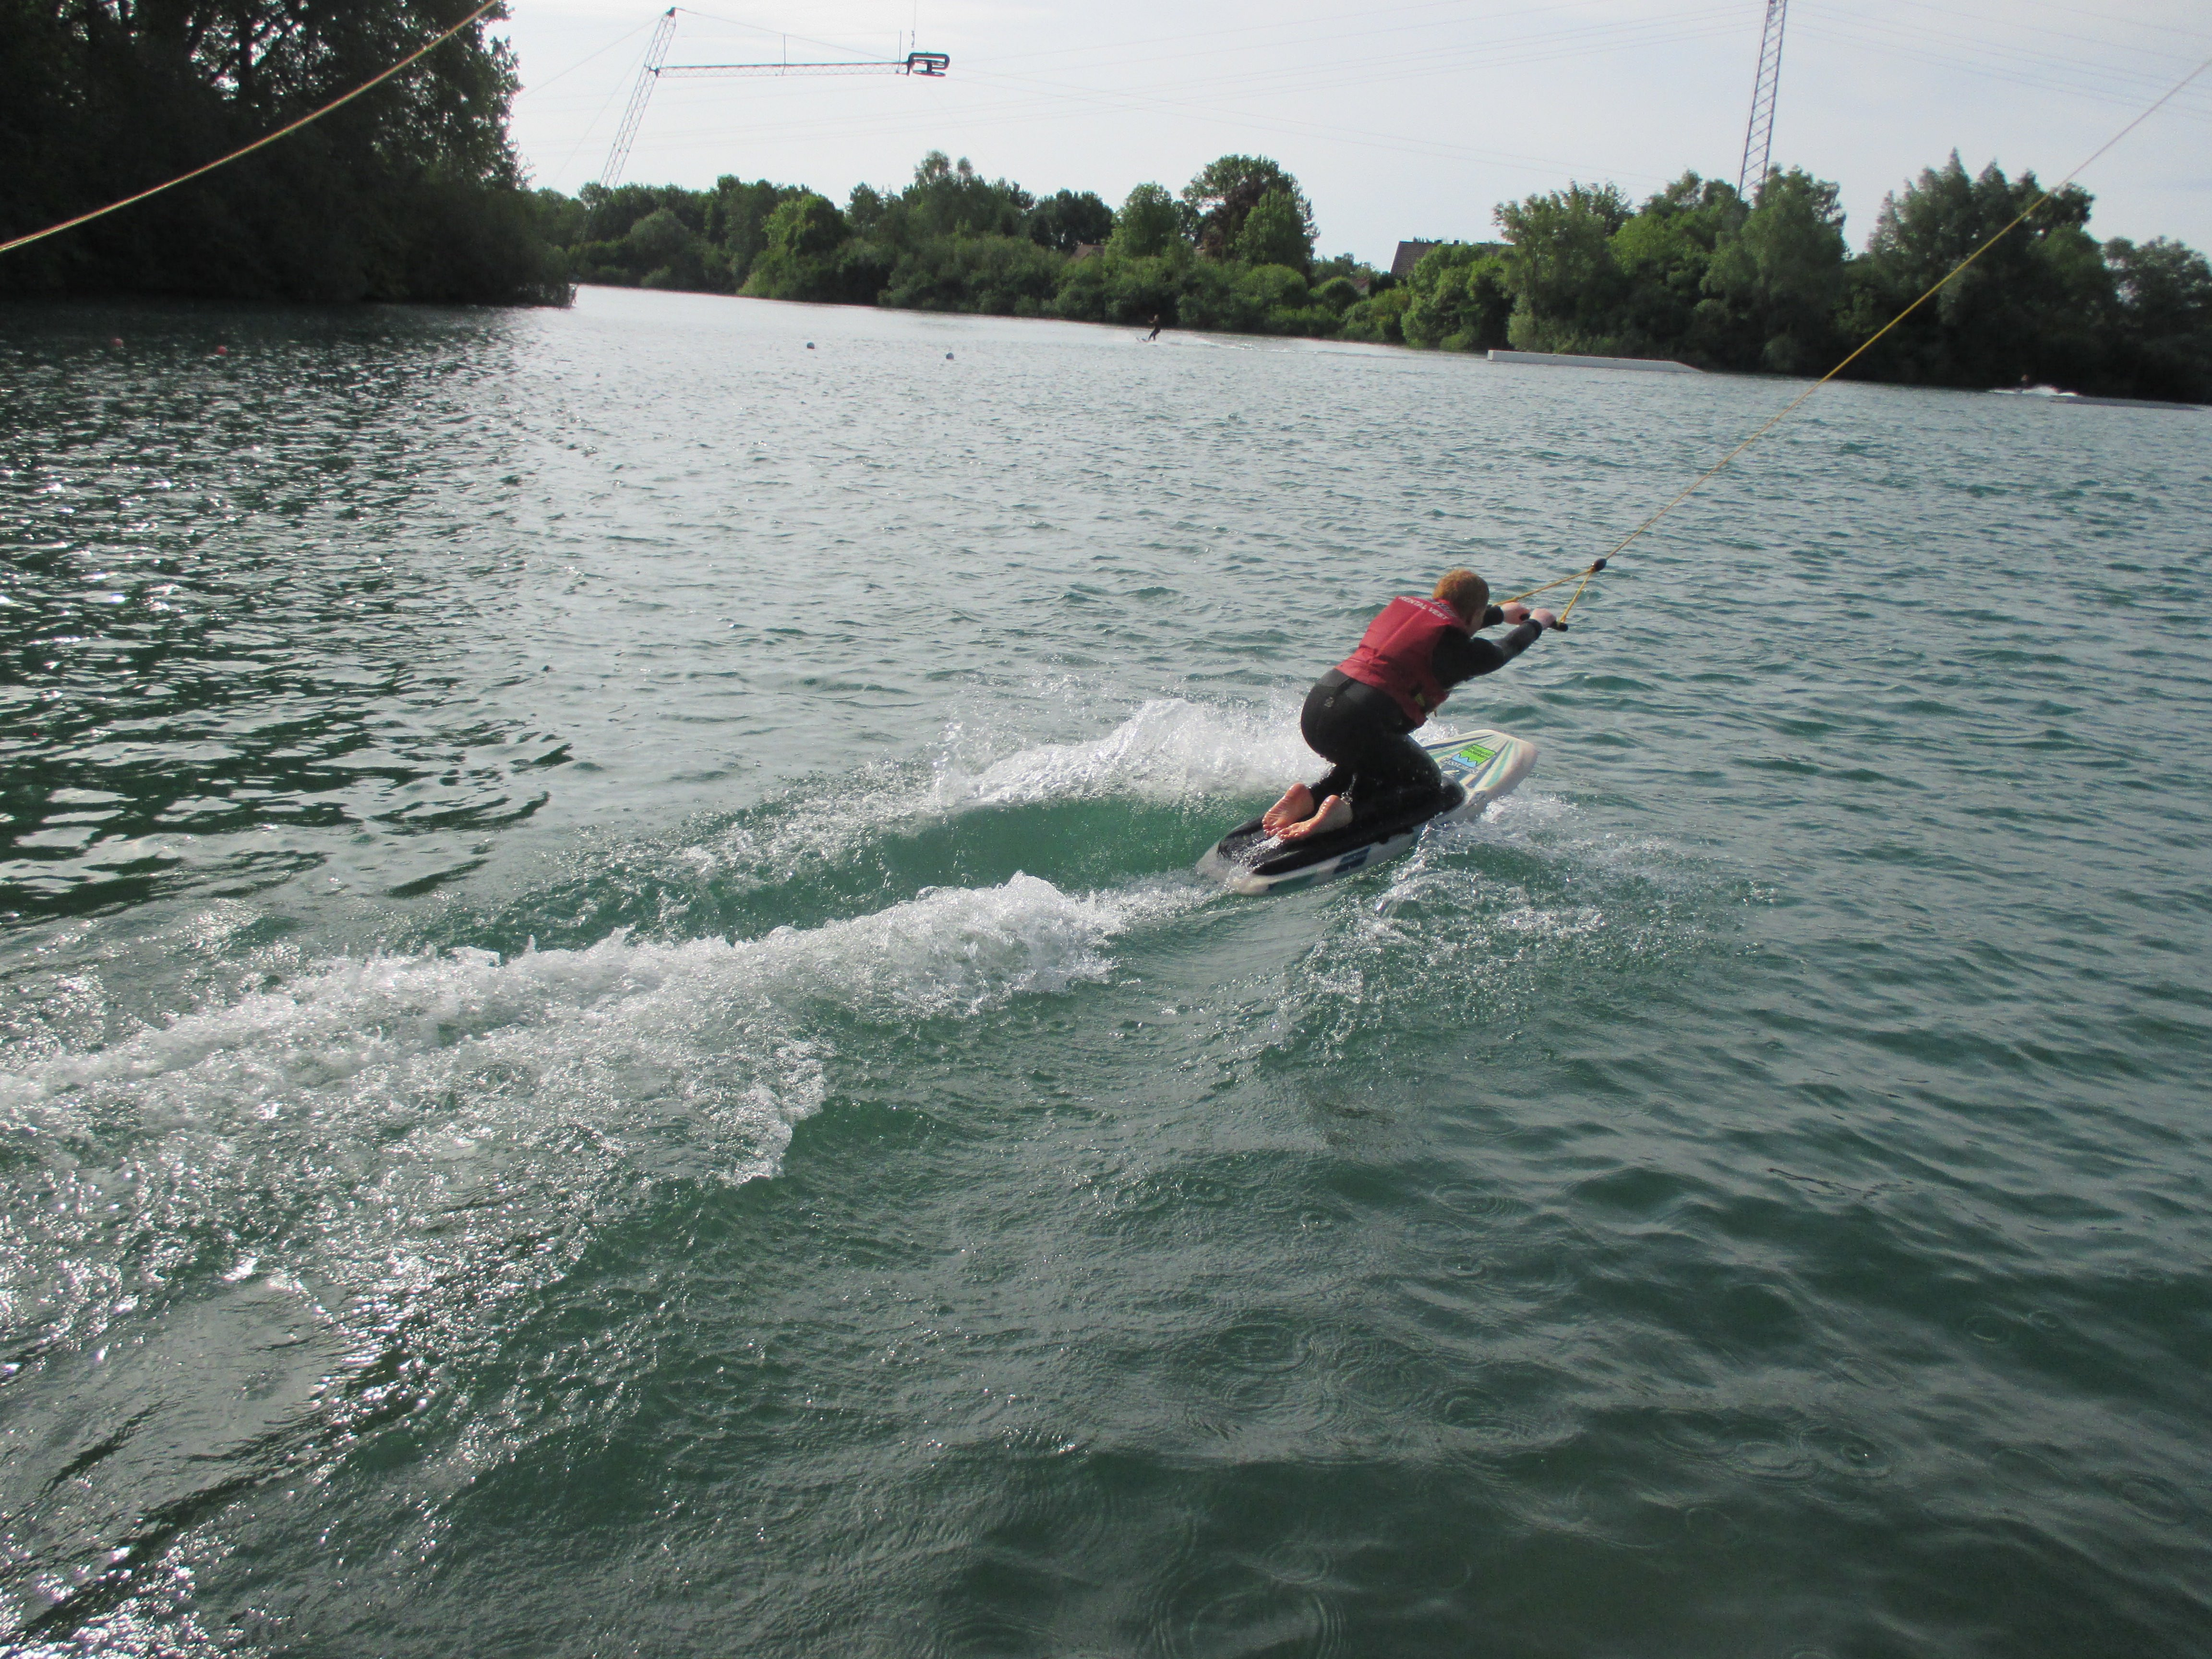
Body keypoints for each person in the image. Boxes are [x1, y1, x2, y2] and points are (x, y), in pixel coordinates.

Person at [1263, 569, 1558, 841]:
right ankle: (1348, 812)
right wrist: (1537, 623)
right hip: (1359, 721)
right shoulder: (1459, 653)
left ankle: (1310, 797)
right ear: (1475, 614)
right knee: (1428, 783)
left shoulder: (1410, 615)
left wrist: (1498, 614)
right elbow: (1503, 650)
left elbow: (1449, 623)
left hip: (1320, 707)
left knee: (1370, 759)